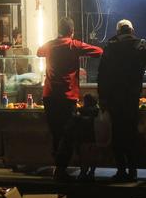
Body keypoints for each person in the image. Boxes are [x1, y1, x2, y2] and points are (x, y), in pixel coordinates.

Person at [37, 17, 103, 181]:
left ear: (59, 30)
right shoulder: (74, 45)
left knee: (56, 132)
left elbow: (39, 52)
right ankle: (60, 169)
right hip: (67, 96)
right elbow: (99, 52)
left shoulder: (50, 45)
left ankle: (58, 167)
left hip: (49, 95)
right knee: (68, 133)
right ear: (71, 31)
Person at [98, 19, 146, 181]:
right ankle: (133, 170)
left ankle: (121, 170)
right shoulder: (140, 45)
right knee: (131, 133)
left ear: (118, 31)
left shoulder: (110, 47)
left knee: (117, 134)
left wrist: (102, 98)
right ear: (132, 30)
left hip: (114, 98)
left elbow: (102, 75)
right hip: (132, 97)